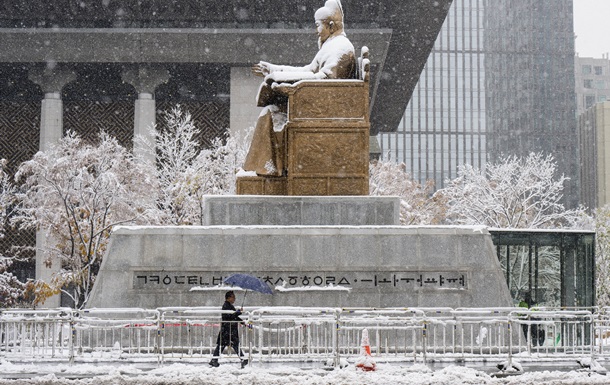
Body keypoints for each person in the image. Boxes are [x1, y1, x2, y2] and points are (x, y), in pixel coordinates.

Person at [243, 0, 356, 177]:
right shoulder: (332, 46)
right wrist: (274, 70)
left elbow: (324, 79)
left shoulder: (340, 47)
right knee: (271, 111)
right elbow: (308, 71)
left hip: (323, 110)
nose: (316, 31)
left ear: (331, 25)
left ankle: (272, 168)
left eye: (318, 26)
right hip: (318, 104)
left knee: (271, 113)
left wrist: (287, 85)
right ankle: (269, 167)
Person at [209, 291, 248, 368]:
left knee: (223, 345)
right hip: (228, 329)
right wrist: (238, 312)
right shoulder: (226, 306)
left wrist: (242, 321)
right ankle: (243, 359)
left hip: (228, 329)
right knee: (228, 345)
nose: (234, 299)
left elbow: (234, 316)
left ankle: (214, 360)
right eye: (233, 297)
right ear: (228, 298)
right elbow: (230, 316)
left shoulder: (229, 306)